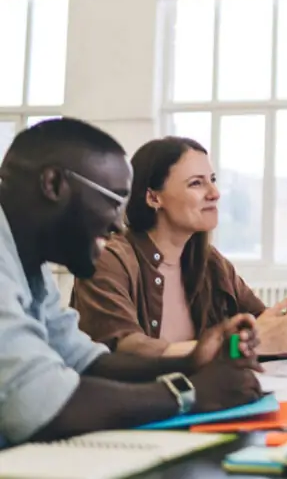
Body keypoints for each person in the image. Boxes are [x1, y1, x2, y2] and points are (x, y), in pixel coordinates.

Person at [0, 118, 263, 447]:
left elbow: (86, 361)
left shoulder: (29, 265)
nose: (117, 224)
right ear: (53, 184)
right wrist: (191, 393)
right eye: (113, 201)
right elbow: (39, 403)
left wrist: (193, 360)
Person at [71, 136, 287, 358]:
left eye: (213, 179)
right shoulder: (109, 259)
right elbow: (124, 350)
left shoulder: (211, 262)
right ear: (153, 197)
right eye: (196, 183)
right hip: (136, 412)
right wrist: (246, 343)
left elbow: (260, 331)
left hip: (203, 404)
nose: (215, 193)